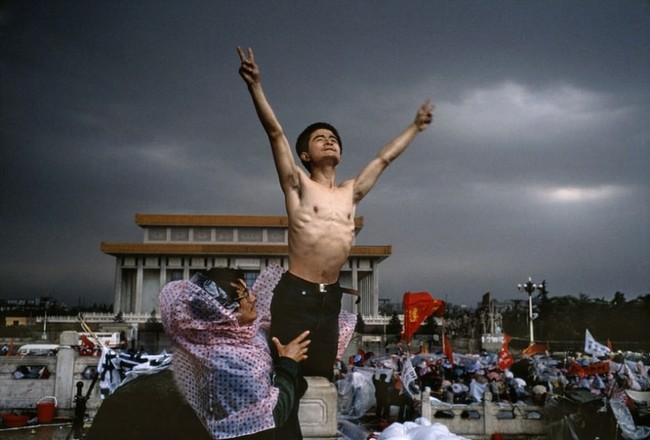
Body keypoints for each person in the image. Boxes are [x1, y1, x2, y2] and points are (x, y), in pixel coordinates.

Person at [237, 46, 434, 378]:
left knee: (322, 380)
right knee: (287, 376)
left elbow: (384, 158)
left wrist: (414, 126)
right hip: (296, 296)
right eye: (319, 139)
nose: (329, 141)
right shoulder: (297, 184)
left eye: (333, 138)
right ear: (305, 155)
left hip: (330, 301)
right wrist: (256, 86)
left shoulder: (350, 193)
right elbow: (275, 133)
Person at [159, 267, 311, 439]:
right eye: (244, 296)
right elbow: (272, 416)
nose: (253, 298)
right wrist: (288, 364)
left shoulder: (231, 336)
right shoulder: (227, 359)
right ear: (223, 310)